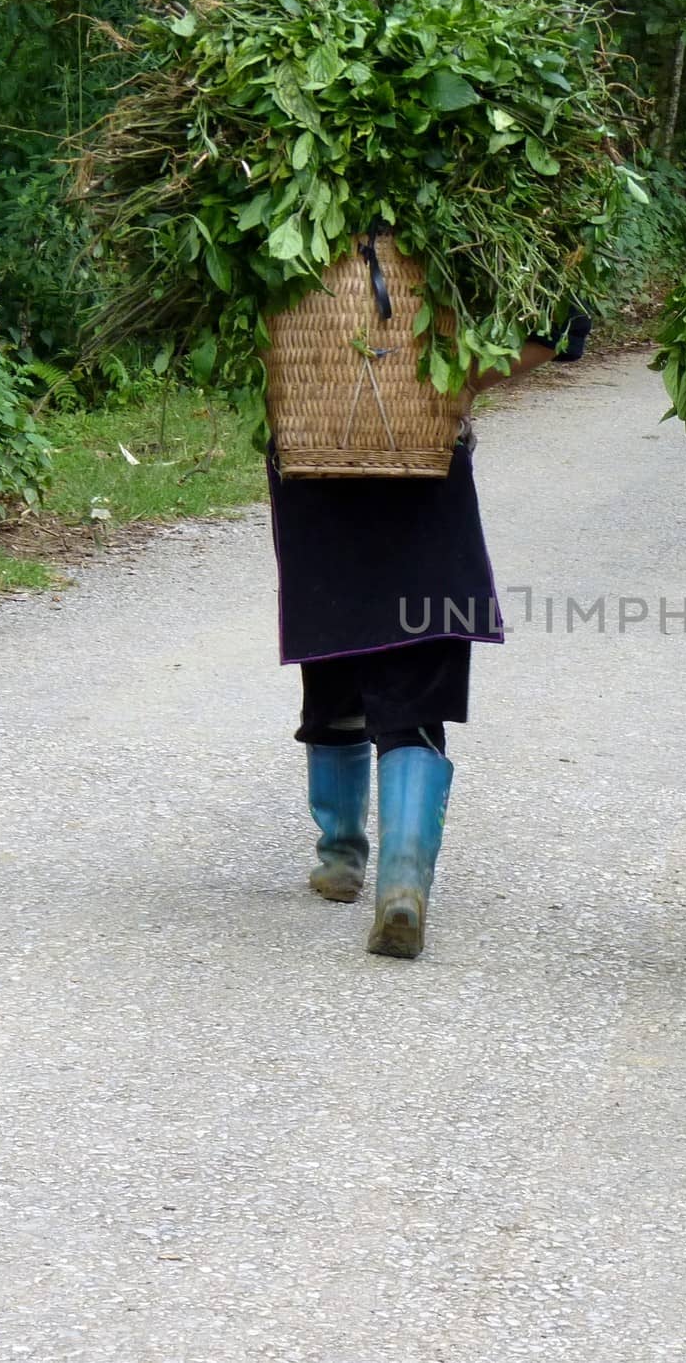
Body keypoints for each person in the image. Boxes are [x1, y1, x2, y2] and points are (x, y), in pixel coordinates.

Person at [268, 317, 585, 960]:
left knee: (334, 633)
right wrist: (452, 384)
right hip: (425, 466)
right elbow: (558, 324)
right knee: (415, 671)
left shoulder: (273, 237)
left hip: (312, 462)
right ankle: (404, 885)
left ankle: (339, 856)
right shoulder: (472, 225)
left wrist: (303, 380)